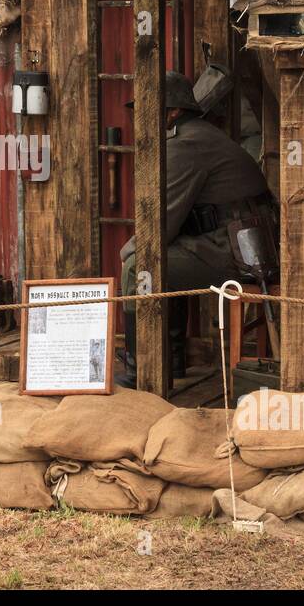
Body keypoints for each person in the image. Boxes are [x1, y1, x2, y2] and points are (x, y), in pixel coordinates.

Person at [116, 71, 274, 388]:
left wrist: (126, 253)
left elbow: (160, 223)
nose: (140, 117)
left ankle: (141, 367)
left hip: (240, 253)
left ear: (172, 112)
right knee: (163, 258)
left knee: (139, 267)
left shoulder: (185, 145)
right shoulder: (199, 135)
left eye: (148, 108)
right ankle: (170, 361)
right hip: (246, 244)